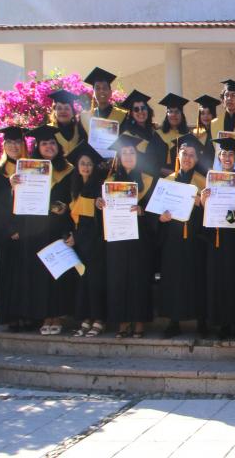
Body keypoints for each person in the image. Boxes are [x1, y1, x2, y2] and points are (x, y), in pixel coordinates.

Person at [11, 125, 77, 336]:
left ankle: (57, 315)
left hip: (58, 227)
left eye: (52, 143)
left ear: (58, 146)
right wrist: (13, 185)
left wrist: (66, 207)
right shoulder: (26, 170)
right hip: (35, 228)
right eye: (44, 143)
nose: (49, 146)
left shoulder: (68, 169)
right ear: (37, 147)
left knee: (57, 271)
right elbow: (18, 202)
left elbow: (74, 198)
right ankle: (44, 315)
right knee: (39, 272)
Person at [96, 133, 157, 339]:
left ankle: (139, 323)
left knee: (139, 279)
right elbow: (102, 215)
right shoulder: (110, 181)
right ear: (119, 157)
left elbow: (156, 211)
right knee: (118, 279)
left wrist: (143, 211)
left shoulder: (148, 181)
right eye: (124, 153)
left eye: (132, 152)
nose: (129, 156)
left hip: (141, 239)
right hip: (117, 239)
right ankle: (122, 322)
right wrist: (100, 205)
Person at [156, 135, 208, 339]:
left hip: (196, 240)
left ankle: (202, 321)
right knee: (173, 279)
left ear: (196, 159)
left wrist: (202, 204)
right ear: (178, 155)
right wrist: (160, 218)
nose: (187, 158)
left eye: (191, 155)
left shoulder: (203, 183)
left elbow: (214, 214)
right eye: (184, 154)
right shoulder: (167, 182)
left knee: (198, 280)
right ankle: (173, 321)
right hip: (173, 241)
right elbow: (155, 212)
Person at [200, 137, 235, 340]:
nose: (227, 157)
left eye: (231, 154)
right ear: (219, 157)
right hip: (218, 237)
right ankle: (222, 323)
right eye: (224, 154)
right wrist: (204, 201)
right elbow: (206, 213)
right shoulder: (211, 179)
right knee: (220, 279)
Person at [0, 126, 26, 331]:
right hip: (8, 234)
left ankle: (28, 315)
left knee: (26, 275)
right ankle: (12, 318)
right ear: (4, 145)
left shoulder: (32, 168)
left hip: (28, 231)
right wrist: (10, 230)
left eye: (18, 142)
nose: (14, 146)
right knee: (9, 276)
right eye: (10, 143)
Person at [68, 142, 107, 338]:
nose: (86, 167)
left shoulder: (99, 187)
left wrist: (100, 205)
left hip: (95, 241)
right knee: (83, 281)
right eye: (82, 163)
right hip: (79, 242)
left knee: (95, 280)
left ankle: (99, 318)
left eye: (89, 164)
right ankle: (86, 317)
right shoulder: (73, 187)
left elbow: (100, 217)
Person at [118, 90, 163, 175]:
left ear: (148, 110)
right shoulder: (128, 135)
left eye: (143, 108)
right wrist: (163, 171)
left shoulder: (155, 131)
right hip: (140, 179)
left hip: (159, 179)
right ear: (131, 113)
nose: (140, 111)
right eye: (136, 109)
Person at [154, 93, 191, 178]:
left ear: (182, 115)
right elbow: (151, 160)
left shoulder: (188, 136)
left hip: (182, 179)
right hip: (161, 179)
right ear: (166, 115)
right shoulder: (158, 135)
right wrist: (166, 171)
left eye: (177, 112)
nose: (173, 115)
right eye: (170, 111)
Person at [48, 90, 86, 156]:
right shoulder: (48, 130)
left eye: (67, 108)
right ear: (54, 112)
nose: (63, 111)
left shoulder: (80, 130)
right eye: (59, 108)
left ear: (73, 112)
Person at [193, 94, 221, 172]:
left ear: (214, 115)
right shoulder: (196, 134)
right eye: (202, 113)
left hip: (216, 172)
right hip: (199, 173)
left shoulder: (218, 132)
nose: (205, 116)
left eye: (209, 113)